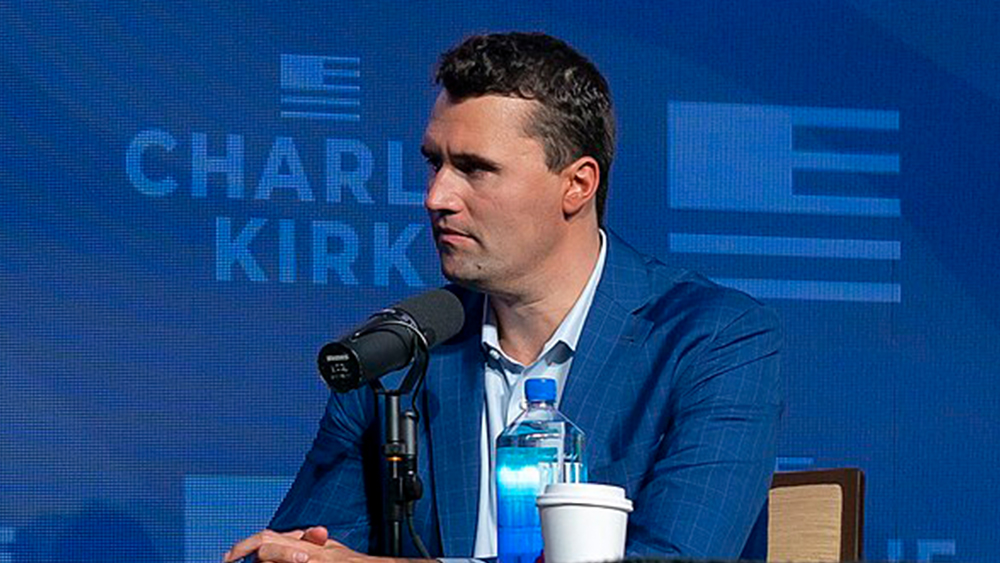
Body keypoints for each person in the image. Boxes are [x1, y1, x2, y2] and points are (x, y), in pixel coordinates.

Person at [225, 32, 782, 563]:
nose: (437, 197)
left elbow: (672, 556)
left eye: (475, 169)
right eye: (435, 163)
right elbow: (299, 548)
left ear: (577, 185)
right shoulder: (398, 356)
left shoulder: (715, 340)